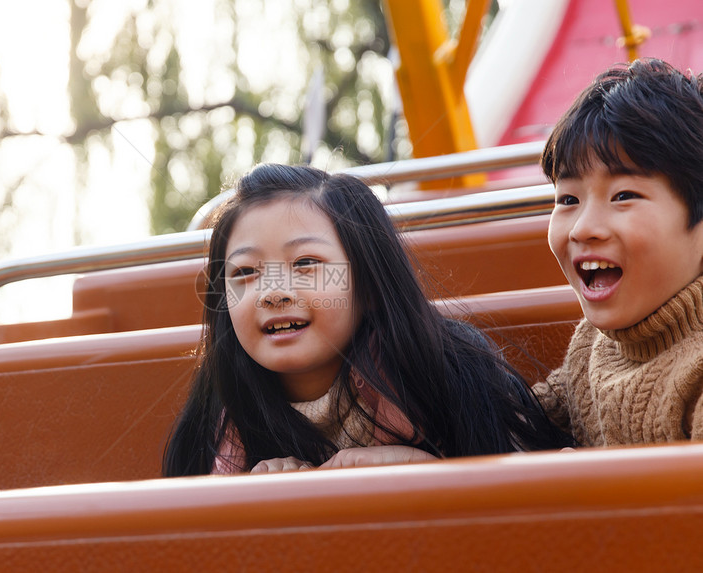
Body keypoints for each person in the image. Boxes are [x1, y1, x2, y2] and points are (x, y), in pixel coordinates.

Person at [163, 163, 573, 477]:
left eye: (306, 263)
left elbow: (527, 490)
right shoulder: (227, 414)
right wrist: (255, 497)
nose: (273, 291)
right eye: (245, 273)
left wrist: (422, 469)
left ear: (370, 285)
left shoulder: (437, 372)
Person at [533, 58, 703, 446]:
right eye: (568, 199)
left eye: (623, 195)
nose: (582, 228)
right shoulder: (591, 346)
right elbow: (516, 421)